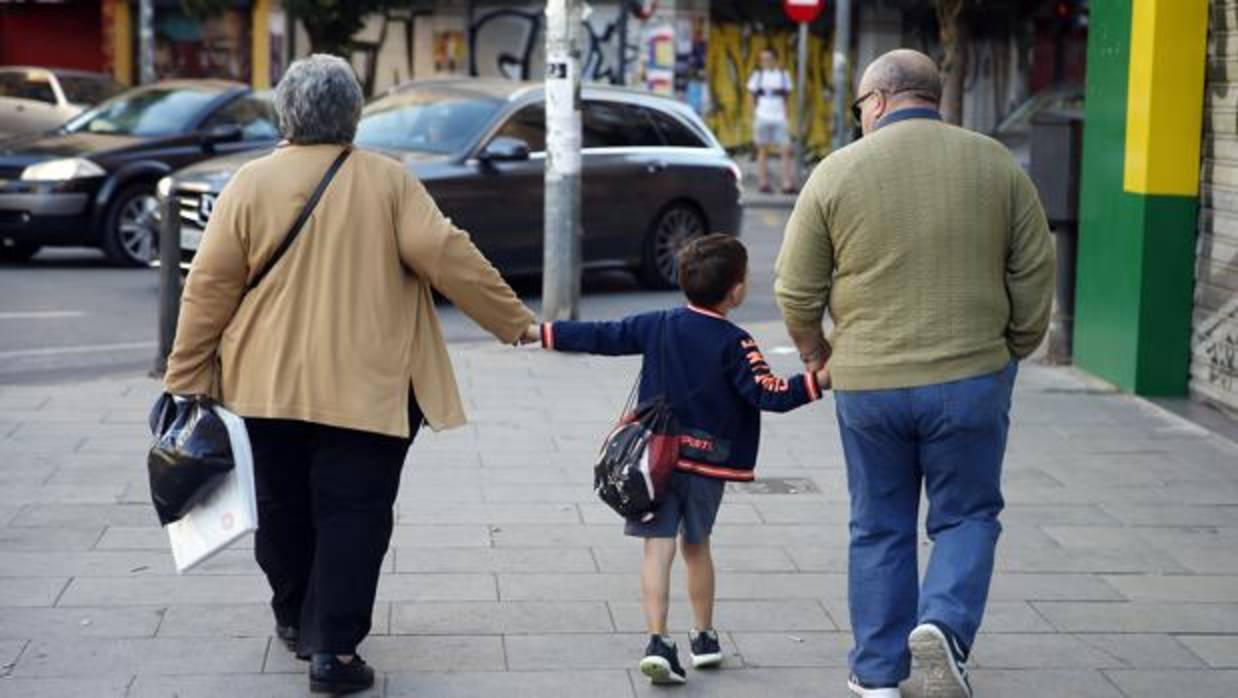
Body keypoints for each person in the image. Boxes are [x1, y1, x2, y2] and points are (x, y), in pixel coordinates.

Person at [164, 54, 535, 695]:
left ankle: (292, 615)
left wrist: (185, 376)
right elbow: (447, 253)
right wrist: (514, 322)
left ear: (286, 112)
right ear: (354, 117)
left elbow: (208, 289)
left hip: (263, 386)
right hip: (369, 389)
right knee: (354, 514)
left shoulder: (248, 184)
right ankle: (333, 651)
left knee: (278, 507)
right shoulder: (390, 182)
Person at [773, 49, 1054, 698]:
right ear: (933, 98)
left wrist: (817, 355)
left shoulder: (836, 172)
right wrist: (1014, 344)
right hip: (971, 376)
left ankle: (876, 675)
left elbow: (795, 290)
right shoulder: (994, 164)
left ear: (877, 100)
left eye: (859, 108)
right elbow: (1034, 270)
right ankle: (943, 628)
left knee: (878, 523)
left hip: (869, 385)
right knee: (966, 516)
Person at [522, 235, 829, 685]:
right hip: (709, 465)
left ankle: (658, 641)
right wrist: (821, 380)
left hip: (655, 464)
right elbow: (769, 394)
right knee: (697, 547)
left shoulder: (657, 324)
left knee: (657, 549)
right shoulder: (737, 343)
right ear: (737, 290)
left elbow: (601, 335)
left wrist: (539, 332)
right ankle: (704, 638)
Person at [747, 48, 796, 194]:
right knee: (762, 151)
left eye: (768, 58)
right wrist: (755, 113)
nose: (765, 62)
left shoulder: (783, 75)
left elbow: (787, 97)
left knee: (786, 150)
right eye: (762, 59)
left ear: (775, 59)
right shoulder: (758, 76)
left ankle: (786, 184)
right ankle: (763, 183)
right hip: (762, 117)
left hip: (779, 117)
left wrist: (786, 115)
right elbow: (751, 95)